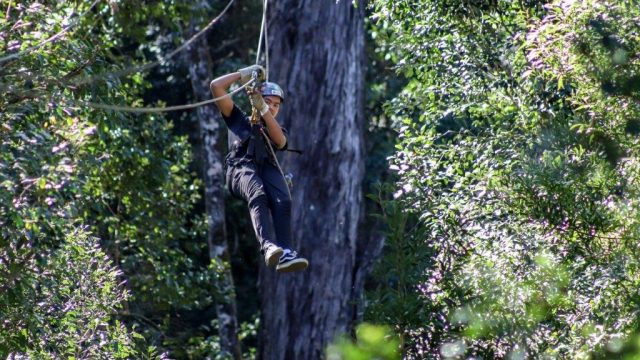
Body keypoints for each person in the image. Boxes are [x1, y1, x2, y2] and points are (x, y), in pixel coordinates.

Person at [210, 65, 309, 273]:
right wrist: (244, 74)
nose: (272, 107)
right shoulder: (239, 120)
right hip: (240, 169)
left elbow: (280, 142)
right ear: (256, 99)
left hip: (265, 168)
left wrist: (263, 109)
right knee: (257, 193)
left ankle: (286, 252)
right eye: (267, 102)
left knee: (283, 199)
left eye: (276, 105)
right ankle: (268, 246)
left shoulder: (275, 129)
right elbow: (216, 87)